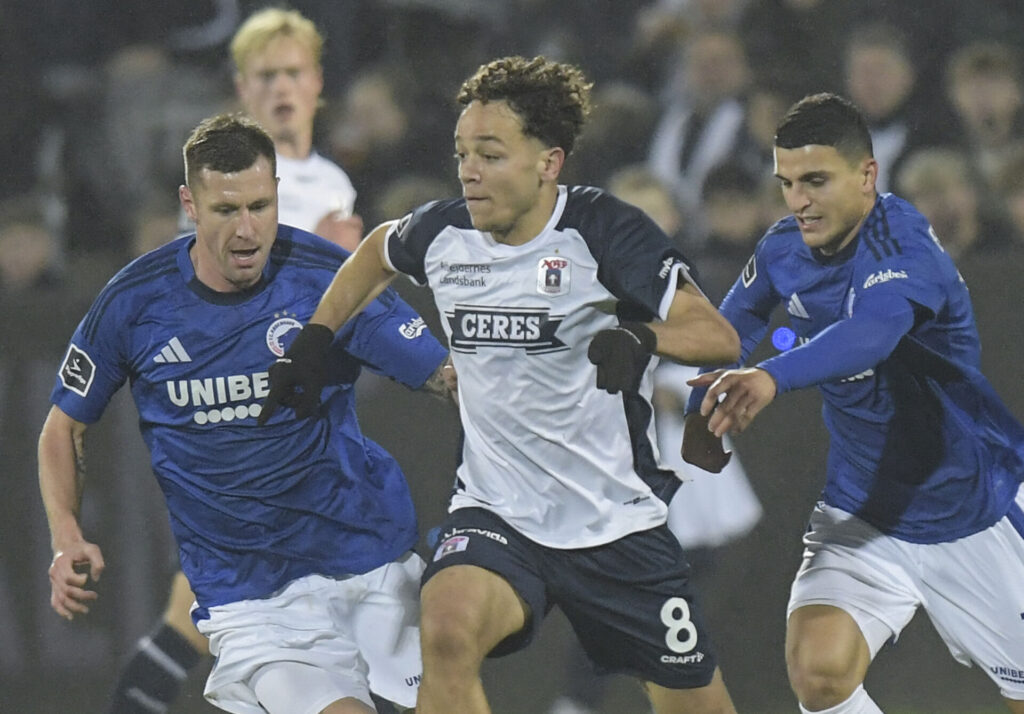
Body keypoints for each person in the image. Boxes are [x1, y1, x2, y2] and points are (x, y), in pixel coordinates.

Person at [260, 55, 742, 714]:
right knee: (447, 627)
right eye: (462, 153)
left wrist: (641, 338)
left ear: (548, 162)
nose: (469, 170)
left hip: (615, 527)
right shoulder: (445, 233)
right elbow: (375, 252)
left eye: (489, 153)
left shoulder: (602, 231)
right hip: (496, 515)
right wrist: (316, 340)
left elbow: (717, 335)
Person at [40, 113, 452, 714]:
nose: (247, 229)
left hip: (373, 566)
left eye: (260, 205)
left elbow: (446, 379)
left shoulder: (326, 278)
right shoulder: (135, 302)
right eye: (226, 209)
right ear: (191, 204)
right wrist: (66, 535)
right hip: (255, 603)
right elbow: (63, 426)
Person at [683, 92, 1024, 714]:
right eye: (785, 183)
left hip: (972, 506)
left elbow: (872, 334)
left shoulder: (902, 244)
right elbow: (726, 331)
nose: (798, 201)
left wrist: (771, 377)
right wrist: (701, 405)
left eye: (816, 180)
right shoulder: (783, 247)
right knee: (819, 671)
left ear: (867, 175)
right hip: (863, 510)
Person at [108, 9, 368, 712]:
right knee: (199, 629)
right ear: (240, 89)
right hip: (236, 452)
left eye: (293, 73)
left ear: (317, 83)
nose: (282, 88)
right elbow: (209, 305)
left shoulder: (333, 181)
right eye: (266, 76)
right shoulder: (229, 189)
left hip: (313, 454)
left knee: (296, 650)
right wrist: (325, 254)